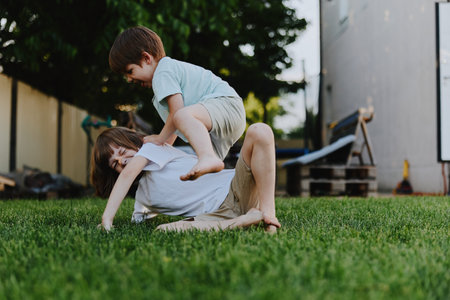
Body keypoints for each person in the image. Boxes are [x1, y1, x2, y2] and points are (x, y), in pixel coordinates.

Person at [109, 26, 246, 181]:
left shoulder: (163, 72)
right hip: (219, 123)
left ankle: (208, 157)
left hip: (225, 105)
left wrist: (160, 139)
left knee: (182, 116)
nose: (128, 79)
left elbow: (177, 113)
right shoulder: (165, 81)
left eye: (130, 71)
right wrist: (165, 146)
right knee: (207, 175)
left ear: (146, 58)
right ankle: (218, 178)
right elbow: (174, 124)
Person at [90, 123, 281, 233]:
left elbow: (129, 173)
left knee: (259, 130)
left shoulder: (154, 149)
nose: (122, 161)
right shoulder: (142, 199)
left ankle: (268, 217)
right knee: (163, 230)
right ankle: (244, 220)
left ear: (135, 144)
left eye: (123, 152)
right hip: (216, 215)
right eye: (115, 164)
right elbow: (137, 220)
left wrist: (107, 219)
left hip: (237, 190)